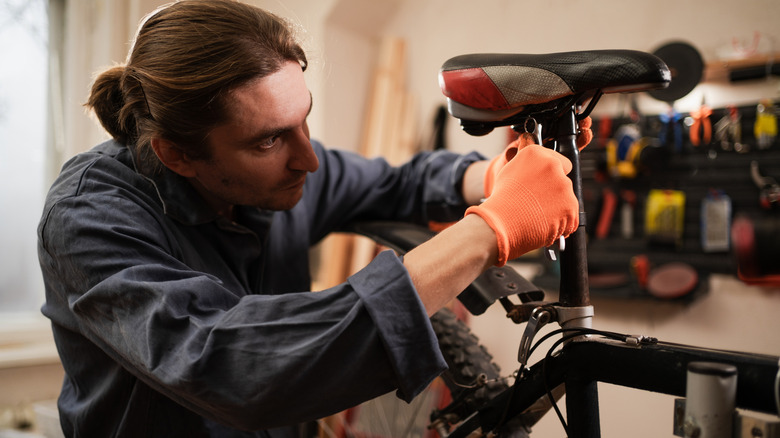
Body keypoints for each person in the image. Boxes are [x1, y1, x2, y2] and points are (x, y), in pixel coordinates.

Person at [37, 1, 587, 437]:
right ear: (177, 154)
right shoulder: (90, 218)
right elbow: (232, 367)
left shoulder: (278, 175)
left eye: (302, 121)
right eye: (270, 140)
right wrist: (489, 230)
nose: (310, 159)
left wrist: (502, 175)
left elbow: (397, 182)